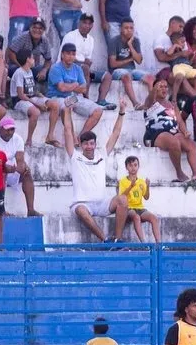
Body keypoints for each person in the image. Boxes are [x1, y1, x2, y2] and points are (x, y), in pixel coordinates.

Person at [63, 97, 129, 242]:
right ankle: (105, 240)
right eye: (85, 144)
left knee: (123, 199)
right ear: (80, 145)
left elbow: (115, 133)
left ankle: (117, 240)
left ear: (95, 144)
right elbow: (68, 130)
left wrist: (122, 112)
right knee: (80, 210)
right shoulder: (75, 157)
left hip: (101, 203)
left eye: (91, 144)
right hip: (82, 204)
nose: (89, 147)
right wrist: (67, 110)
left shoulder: (102, 155)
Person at [142, 77, 196, 182]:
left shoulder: (172, 105)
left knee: (192, 144)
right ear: (155, 89)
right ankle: (179, 172)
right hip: (155, 134)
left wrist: (185, 131)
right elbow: (150, 97)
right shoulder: (150, 102)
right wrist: (154, 86)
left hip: (173, 132)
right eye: (160, 86)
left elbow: (180, 121)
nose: (164, 89)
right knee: (174, 142)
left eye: (166, 87)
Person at [58, 13, 114, 107]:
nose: (87, 26)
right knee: (85, 68)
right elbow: (66, 58)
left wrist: (87, 63)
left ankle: (101, 101)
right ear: (79, 23)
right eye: (84, 23)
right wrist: (84, 63)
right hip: (67, 69)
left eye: (89, 23)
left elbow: (88, 59)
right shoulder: (70, 36)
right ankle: (86, 99)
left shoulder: (91, 39)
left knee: (107, 76)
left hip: (82, 70)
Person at [49, 43, 104, 137]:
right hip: (57, 97)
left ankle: (81, 137)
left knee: (98, 110)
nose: (71, 56)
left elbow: (84, 89)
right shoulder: (56, 68)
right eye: (68, 54)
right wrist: (75, 84)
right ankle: (72, 137)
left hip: (73, 97)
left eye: (73, 54)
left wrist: (69, 86)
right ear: (62, 54)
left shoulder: (77, 68)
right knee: (67, 106)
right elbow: (61, 88)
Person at [10, 48, 62, 147]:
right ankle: (29, 140)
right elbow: (21, 95)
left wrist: (41, 96)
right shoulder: (19, 73)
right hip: (20, 100)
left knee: (55, 105)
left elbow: (31, 90)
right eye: (32, 58)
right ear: (27, 60)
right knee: (36, 112)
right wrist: (37, 104)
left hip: (31, 97)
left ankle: (50, 136)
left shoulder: (29, 71)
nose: (34, 60)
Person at [105, 18, 153, 109]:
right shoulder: (113, 41)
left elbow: (139, 60)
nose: (129, 30)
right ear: (120, 29)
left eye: (131, 28)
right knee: (127, 76)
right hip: (117, 71)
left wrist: (130, 45)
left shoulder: (135, 41)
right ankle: (135, 103)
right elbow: (113, 64)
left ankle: (152, 103)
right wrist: (130, 59)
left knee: (151, 78)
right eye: (126, 28)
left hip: (132, 70)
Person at [0, 117, 40, 217]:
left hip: (11, 169)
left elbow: (20, 160)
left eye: (12, 129)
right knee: (1, 172)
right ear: (0, 129)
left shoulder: (17, 139)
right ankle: (1, 210)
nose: (10, 132)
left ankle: (31, 210)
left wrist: (21, 167)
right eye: (7, 129)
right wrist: (6, 168)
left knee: (26, 172)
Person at [118, 155, 160, 243]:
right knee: (136, 217)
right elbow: (122, 198)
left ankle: (159, 244)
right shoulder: (122, 181)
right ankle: (143, 244)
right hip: (129, 208)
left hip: (140, 208)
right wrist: (131, 186)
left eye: (135, 165)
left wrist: (148, 186)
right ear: (126, 167)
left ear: (138, 166)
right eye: (130, 165)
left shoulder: (141, 181)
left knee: (154, 218)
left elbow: (146, 197)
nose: (133, 168)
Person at [6, 19, 53, 85]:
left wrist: (44, 70)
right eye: (34, 27)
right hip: (16, 66)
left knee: (51, 72)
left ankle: (45, 93)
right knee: (16, 72)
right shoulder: (23, 37)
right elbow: (10, 52)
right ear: (30, 28)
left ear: (44, 30)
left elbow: (48, 60)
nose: (37, 30)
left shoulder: (44, 41)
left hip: (31, 68)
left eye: (40, 28)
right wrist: (22, 68)